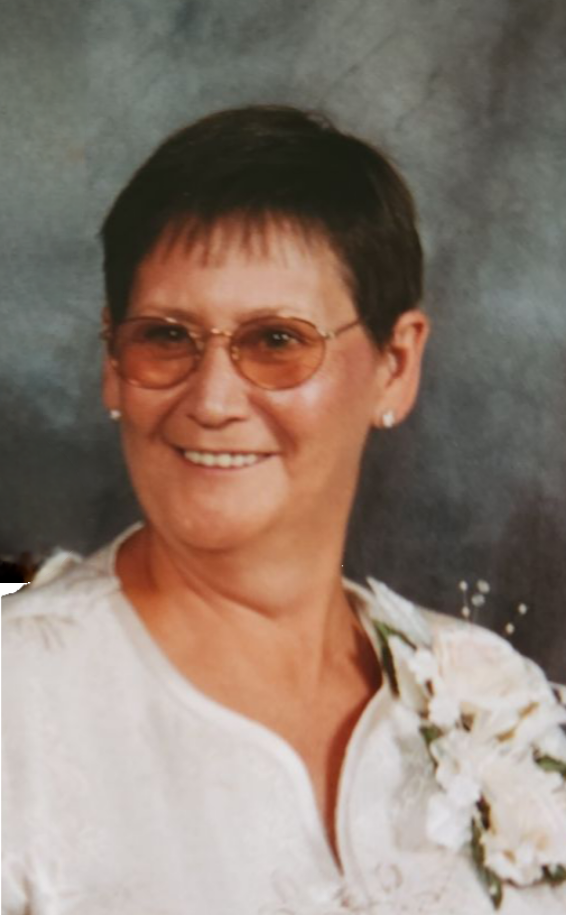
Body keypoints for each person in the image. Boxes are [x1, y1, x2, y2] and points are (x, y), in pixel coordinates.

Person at [3, 106, 565, 915]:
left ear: (395, 364)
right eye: (166, 336)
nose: (212, 400)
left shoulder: (492, 697)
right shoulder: (18, 704)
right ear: (113, 363)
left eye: (275, 340)